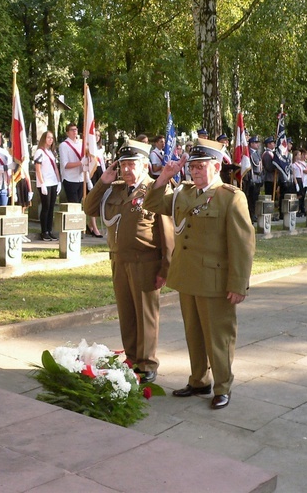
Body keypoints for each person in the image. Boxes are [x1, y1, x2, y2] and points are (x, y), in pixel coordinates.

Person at [142, 138, 255, 409]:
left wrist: (238, 284)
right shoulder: (184, 193)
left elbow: (243, 244)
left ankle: (223, 386)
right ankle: (199, 380)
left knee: (219, 336)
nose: (195, 172)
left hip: (215, 281)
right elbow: (152, 204)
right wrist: (164, 176)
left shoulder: (231, 197)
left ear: (216, 167)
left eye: (201, 167)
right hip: (187, 277)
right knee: (193, 333)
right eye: (192, 167)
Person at [83, 140, 175, 384]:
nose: (126, 169)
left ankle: (147, 363)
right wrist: (103, 181)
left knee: (145, 315)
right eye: (123, 164)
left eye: (131, 163)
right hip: (119, 261)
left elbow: (167, 234)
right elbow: (89, 208)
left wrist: (165, 268)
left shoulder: (156, 189)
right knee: (126, 313)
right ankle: (132, 357)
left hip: (145, 262)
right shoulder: (114, 189)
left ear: (145, 164)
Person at [34, 131, 61, 241]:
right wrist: (42, 182)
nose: (50, 140)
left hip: (53, 182)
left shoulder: (51, 152)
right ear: (44, 138)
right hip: (44, 183)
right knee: (45, 207)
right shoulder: (40, 152)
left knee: (51, 208)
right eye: (48, 137)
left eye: (52, 138)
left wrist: (58, 181)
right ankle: (44, 231)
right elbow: (38, 168)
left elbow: (55, 167)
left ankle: (49, 230)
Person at [58, 123, 85, 204]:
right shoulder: (64, 145)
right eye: (72, 130)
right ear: (67, 132)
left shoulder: (81, 144)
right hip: (70, 178)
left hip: (80, 178)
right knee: (73, 203)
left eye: (75, 129)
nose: (74, 131)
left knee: (79, 203)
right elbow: (65, 165)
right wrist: (80, 163)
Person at [86, 130, 106, 237]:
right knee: (93, 198)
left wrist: (106, 174)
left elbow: (102, 163)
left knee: (100, 199)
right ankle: (94, 227)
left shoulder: (100, 149)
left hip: (99, 171)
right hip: (92, 172)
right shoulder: (89, 148)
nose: (97, 137)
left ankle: (90, 225)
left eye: (99, 135)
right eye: (95, 135)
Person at [244, 135, 264, 221]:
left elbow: (260, 166)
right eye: (256, 142)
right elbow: (251, 167)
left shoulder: (256, 153)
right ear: (251, 143)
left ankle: (254, 213)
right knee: (251, 198)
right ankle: (251, 214)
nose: (258, 144)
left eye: (258, 142)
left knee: (255, 198)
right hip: (252, 178)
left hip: (258, 178)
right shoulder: (249, 153)